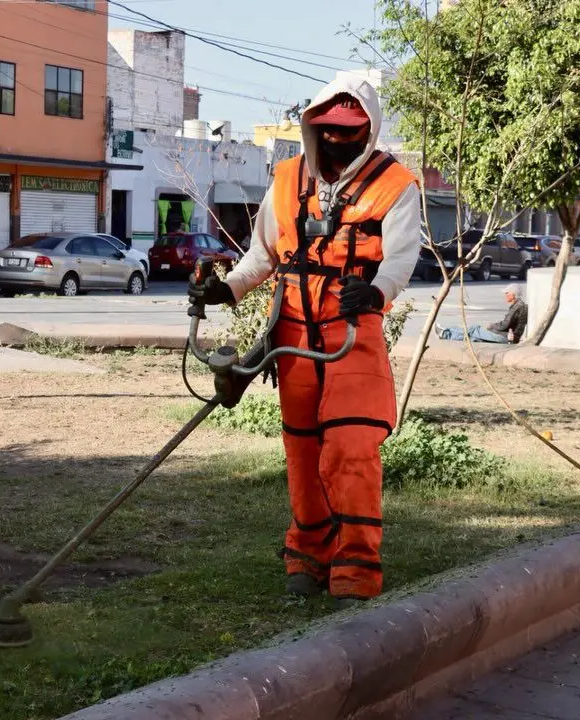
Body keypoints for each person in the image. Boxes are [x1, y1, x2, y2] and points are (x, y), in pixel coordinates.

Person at [188, 75, 422, 607]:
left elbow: (401, 259)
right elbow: (263, 256)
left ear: (369, 129)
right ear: (314, 128)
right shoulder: (287, 180)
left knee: (352, 448)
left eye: (350, 131)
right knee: (303, 451)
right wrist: (226, 289)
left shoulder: (395, 185)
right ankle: (308, 556)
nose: (338, 141)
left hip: (353, 333)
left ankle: (357, 566)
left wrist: (376, 292)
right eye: (329, 130)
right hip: (293, 337)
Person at [435, 284, 528, 344]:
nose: (505, 295)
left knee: (475, 329)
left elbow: (504, 325)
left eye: (507, 293)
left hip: (505, 337)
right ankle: (445, 333)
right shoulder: (520, 305)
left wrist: (492, 325)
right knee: (473, 337)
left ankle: (446, 332)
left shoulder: (517, 307)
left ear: (513, 294)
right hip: (510, 337)